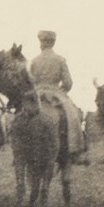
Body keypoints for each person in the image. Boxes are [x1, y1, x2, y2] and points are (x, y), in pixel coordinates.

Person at [30, 30, 87, 160]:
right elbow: (68, 83)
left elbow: (30, 81)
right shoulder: (60, 60)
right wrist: (61, 90)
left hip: (37, 94)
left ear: (41, 43)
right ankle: (75, 149)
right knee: (73, 116)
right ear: (53, 43)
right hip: (56, 92)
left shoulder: (34, 61)